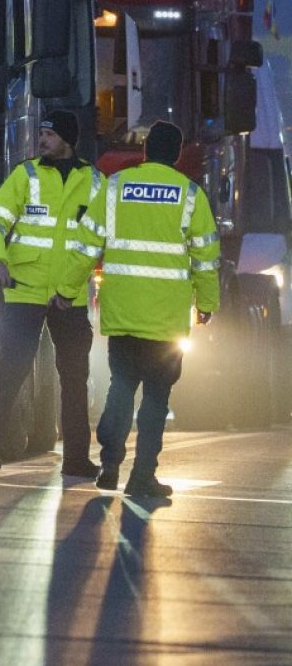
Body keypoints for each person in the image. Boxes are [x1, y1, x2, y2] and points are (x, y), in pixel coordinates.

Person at [51, 119, 220, 499]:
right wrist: (206, 305)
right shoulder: (190, 195)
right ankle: (143, 476)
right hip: (166, 320)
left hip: (123, 313)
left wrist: (65, 288)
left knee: (122, 386)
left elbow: (85, 244)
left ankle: (110, 463)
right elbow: (207, 260)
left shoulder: (114, 189)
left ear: (145, 152)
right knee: (156, 399)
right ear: (176, 154)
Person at [0, 109, 102, 476]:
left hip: (70, 295)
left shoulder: (94, 183)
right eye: (41, 133)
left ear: (67, 139)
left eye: (49, 134)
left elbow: (100, 237)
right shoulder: (26, 175)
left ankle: (76, 459)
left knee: (75, 377)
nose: (41, 139)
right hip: (24, 289)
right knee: (12, 369)